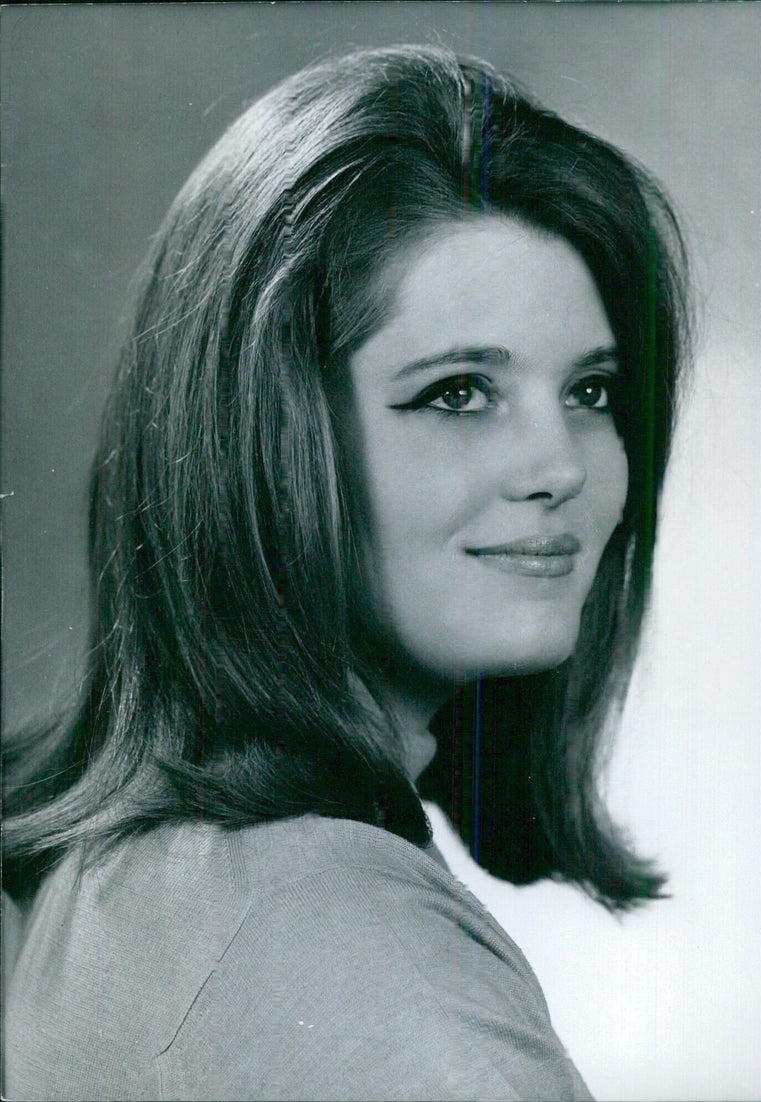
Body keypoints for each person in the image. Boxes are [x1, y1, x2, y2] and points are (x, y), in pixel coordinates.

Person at [2, 44, 690, 1101]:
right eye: (458, 392)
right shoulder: (338, 929)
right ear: (267, 446)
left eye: (589, 391)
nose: (559, 466)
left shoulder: (132, 866)